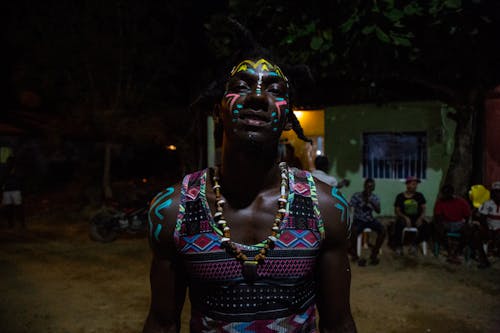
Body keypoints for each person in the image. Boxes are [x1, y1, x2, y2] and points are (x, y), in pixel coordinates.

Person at [143, 57, 357, 332]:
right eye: (242, 86)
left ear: (288, 119)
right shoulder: (174, 209)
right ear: (219, 110)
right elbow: (162, 323)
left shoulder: (326, 207)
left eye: (275, 90)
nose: (257, 95)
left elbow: (338, 324)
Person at [349, 178, 385, 266]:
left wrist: (371, 202)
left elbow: (378, 211)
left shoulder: (374, 197)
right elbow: (350, 206)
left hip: (370, 220)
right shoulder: (357, 195)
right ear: (364, 186)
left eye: (371, 187)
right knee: (353, 232)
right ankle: (355, 255)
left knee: (383, 230)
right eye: (368, 186)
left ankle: (374, 254)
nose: (369, 188)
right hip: (359, 219)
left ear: (373, 188)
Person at [433, 184, 471, 264]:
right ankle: (449, 251)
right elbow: (438, 216)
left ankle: (457, 251)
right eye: (445, 193)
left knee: (468, 231)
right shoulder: (440, 202)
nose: (446, 195)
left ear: (452, 193)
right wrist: (441, 225)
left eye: (448, 193)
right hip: (446, 222)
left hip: (458, 223)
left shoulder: (461, 202)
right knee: (438, 228)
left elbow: (467, 216)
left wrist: (466, 224)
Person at [392, 176, 430, 255]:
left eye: (416, 184)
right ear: (408, 185)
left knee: (426, 226)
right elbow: (397, 211)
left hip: (416, 219)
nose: (415, 186)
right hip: (404, 219)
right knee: (398, 224)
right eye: (413, 184)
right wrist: (405, 218)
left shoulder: (419, 196)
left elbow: (423, 209)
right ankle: (399, 246)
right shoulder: (400, 196)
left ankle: (415, 245)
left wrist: (421, 218)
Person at [473, 181, 500, 269]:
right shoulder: (487, 204)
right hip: (488, 228)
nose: (498, 194)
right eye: (496, 192)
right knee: (477, 236)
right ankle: (483, 260)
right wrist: (487, 229)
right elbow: (483, 219)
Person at [1, 155, 25, 229]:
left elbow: (21, 179)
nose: (9, 163)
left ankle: (21, 223)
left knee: (17, 207)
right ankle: (11, 224)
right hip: (9, 191)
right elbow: (2, 179)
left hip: (14, 190)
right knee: (10, 208)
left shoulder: (17, 169)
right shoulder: (5, 169)